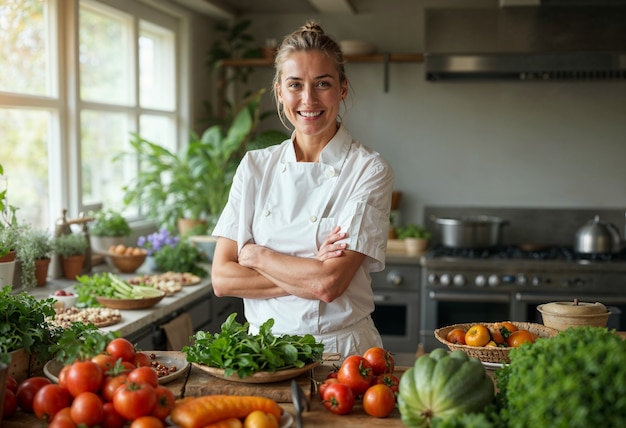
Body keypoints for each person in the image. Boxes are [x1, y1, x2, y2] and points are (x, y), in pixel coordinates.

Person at [211, 20, 394, 358]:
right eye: (295, 84)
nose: (308, 99)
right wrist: (309, 272)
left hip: (340, 355)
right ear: (279, 91)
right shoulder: (255, 167)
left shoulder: (369, 170)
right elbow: (222, 279)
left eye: (322, 83)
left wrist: (255, 254)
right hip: (262, 353)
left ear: (342, 88)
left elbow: (329, 285)